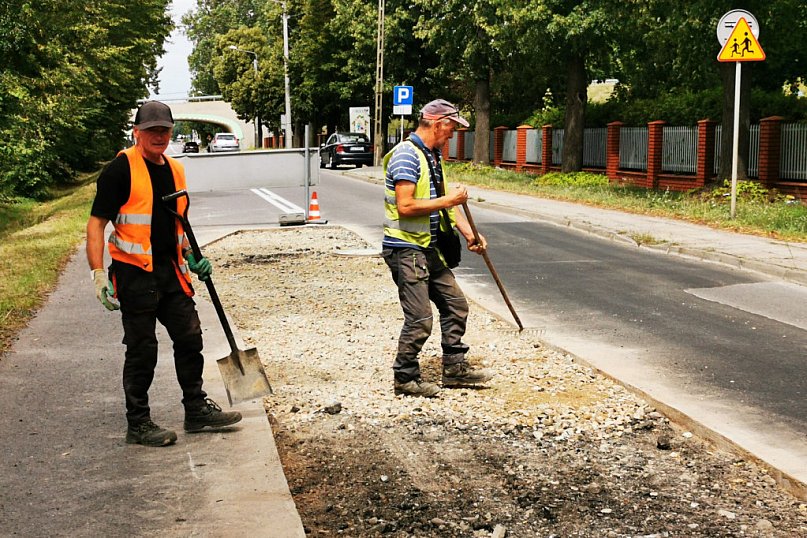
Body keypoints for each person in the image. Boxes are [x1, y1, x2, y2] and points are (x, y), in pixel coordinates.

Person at [86, 101, 242, 447]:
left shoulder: (175, 169)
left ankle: (196, 409)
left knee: (190, 337)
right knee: (142, 349)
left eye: (164, 130)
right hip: (133, 274)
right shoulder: (119, 170)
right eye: (152, 130)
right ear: (136, 132)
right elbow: (96, 225)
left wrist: (191, 256)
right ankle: (138, 423)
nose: (159, 136)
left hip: (170, 271)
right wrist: (98, 274)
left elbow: (177, 223)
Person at [382, 98, 492, 398]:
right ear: (439, 123)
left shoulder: (432, 156)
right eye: (453, 128)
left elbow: (444, 206)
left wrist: (471, 234)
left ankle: (454, 369)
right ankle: (405, 377)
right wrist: (450, 200)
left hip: (428, 248)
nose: (453, 134)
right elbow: (406, 206)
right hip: (406, 250)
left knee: (455, 304)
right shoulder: (406, 156)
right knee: (419, 319)